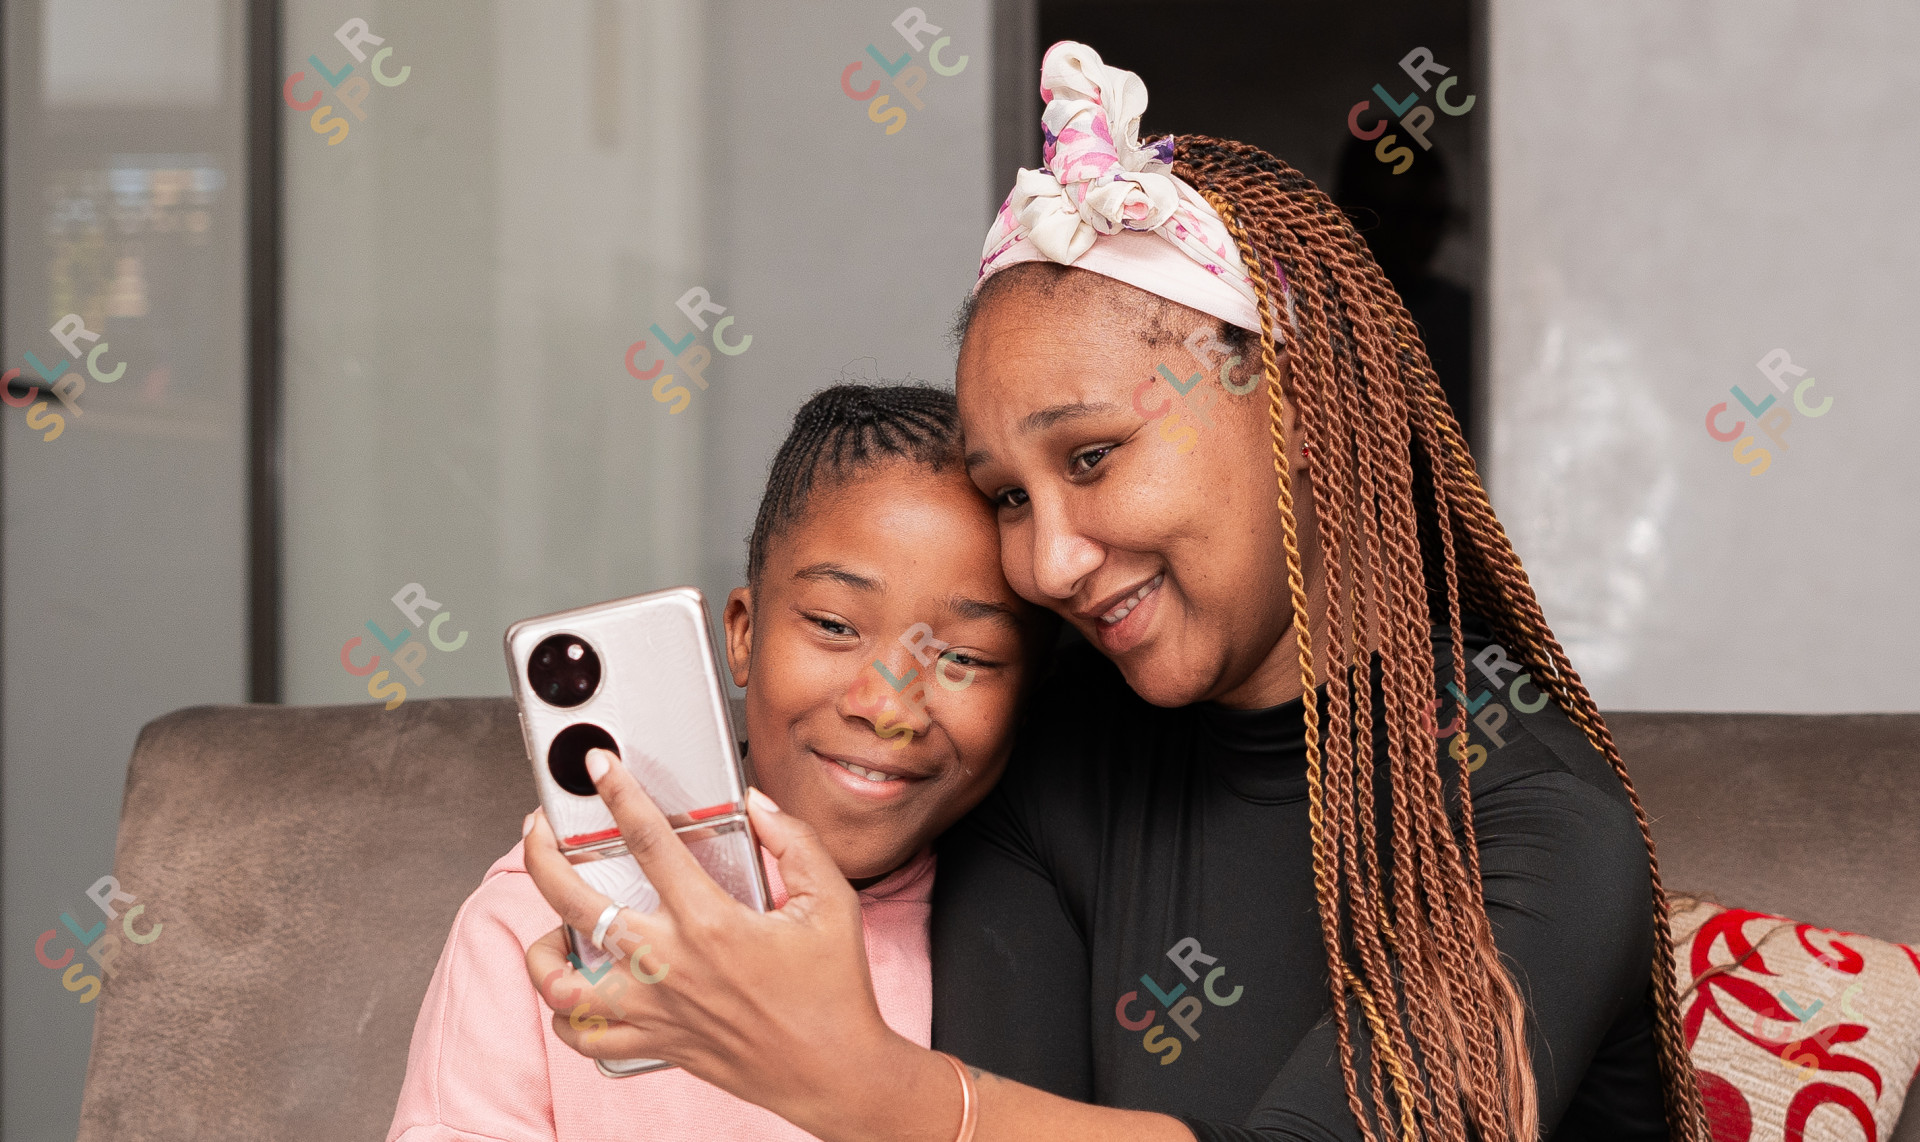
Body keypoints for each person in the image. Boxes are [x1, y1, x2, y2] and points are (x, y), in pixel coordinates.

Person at [514, 42, 1710, 1142]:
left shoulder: (1537, 820)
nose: (1048, 561)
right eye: (1011, 496)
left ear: (1295, 406)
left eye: (1090, 457)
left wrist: (859, 1082)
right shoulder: (1058, 760)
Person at [385, 384, 1053, 1141]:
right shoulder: (537, 920)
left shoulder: (1032, 932)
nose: (890, 706)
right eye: (834, 626)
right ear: (741, 635)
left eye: (964, 657)